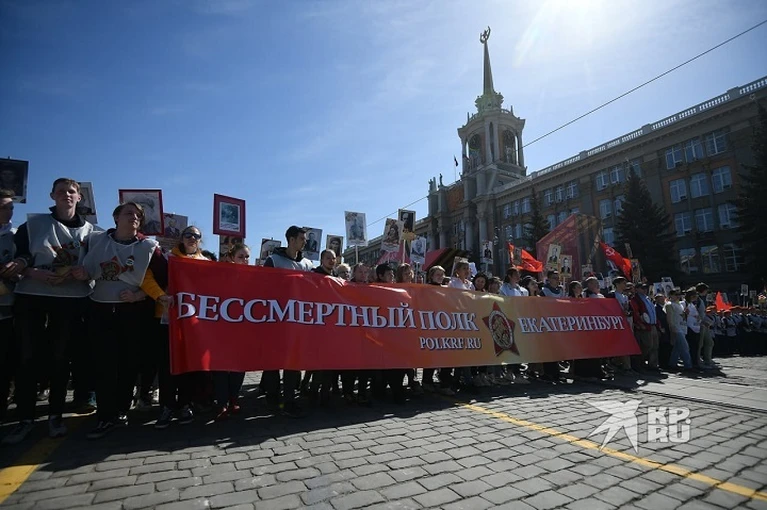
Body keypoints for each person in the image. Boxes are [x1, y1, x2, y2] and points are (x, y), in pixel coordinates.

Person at [4, 178, 94, 445]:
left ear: (79, 197)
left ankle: (55, 416)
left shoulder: (92, 232)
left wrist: (83, 272)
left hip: (70, 299)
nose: (67, 195)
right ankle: (25, 419)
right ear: (52, 195)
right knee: (27, 358)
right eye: (61, 191)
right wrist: (31, 271)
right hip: (33, 296)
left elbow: (94, 266)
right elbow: (20, 256)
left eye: (72, 191)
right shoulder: (33, 224)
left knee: (60, 359)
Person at [81, 202, 165, 440]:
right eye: (129, 213)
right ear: (116, 217)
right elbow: (86, 269)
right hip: (100, 309)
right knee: (104, 364)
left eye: (138, 215)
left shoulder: (149, 247)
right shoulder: (95, 240)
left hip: (132, 313)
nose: (134, 218)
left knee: (129, 363)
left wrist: (139, 295)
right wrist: (80, 273)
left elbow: (163, 279)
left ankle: (120, 410)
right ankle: (105, 415)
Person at [151, 226, 208, 430]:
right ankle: (167, 406)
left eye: (196, 236)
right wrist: (160, 295)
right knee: (167, 365)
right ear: (181, 238)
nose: (192, 238)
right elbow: (148, 278)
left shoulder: (206, 263)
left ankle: (185, 404)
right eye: (188, 235)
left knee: (188, 364)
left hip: (193, 322)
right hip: (167, 320)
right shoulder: (168, 258)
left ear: (200, 240)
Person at [263, 226, 313, 417]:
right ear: (291, 240)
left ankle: (289, 399)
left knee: (293, 361)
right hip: (277, 319)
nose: (305, 242)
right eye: (302, 239)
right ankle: (272, 396)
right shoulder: (273, 261)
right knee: (274, 361)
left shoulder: (307, 264)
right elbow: (264, 288)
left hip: (298, 321)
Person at [212, 243, 250, 421]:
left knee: (239, 364)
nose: (245, 260)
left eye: (247, 257)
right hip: (222, 327)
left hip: (242, 327)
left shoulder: (254, 277)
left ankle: (234, 398)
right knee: (221, 365)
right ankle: (222, 402)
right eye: (241, 257)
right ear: (231, 258)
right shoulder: (222, 275)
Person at [0, 189, 25, 421]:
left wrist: (16, 269)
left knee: (7, 359)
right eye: (3, 207)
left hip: (8, 307)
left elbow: (26, 266)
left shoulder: (16, 236)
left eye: (11, 207)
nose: (8, 212)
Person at [631, 283, 660, 372]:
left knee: (655, 346)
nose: (645, 290)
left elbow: (653, 312)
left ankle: (653, 365)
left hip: (653, 324)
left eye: (645, 288)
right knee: (647, 345)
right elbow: (636, 312)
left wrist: (658, 324)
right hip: (644, 326)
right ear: (637, 289)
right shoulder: (635, 299)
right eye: (642, 288)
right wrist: (640, 324)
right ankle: (639, 362)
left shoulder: (648, 298)